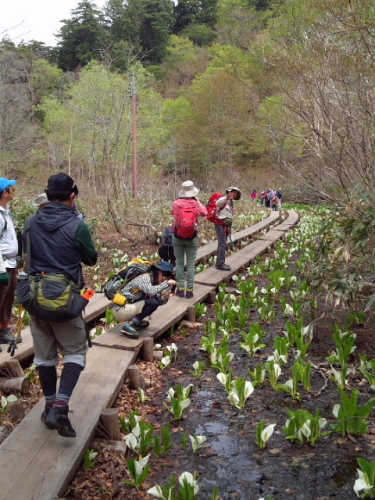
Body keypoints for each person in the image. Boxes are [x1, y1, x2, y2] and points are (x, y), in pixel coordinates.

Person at [25, 173, 97, 438]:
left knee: (44, 356)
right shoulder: (78, 225)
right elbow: (91, 259)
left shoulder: (31, 221)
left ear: (48, 194)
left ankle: (49, 408)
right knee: (75, 353)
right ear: (72, 196)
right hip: (66, 301)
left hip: (34, 298)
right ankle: (60, 407)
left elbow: (27, 251)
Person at [114, 261, 177, 339]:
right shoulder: (144, 278)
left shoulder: (152, 280)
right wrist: (167, 283)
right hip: (121, 310)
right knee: (152, 303)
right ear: (158, 271)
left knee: (153, 301)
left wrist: (166, 297)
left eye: (168, 278)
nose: (165, 279)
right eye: (164, 276)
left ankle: (136, 321)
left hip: (128, 307)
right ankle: (130, 325)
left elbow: (156, 301)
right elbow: (150, 291)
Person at [171, 180, 207, 298]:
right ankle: (190, 290)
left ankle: (180, 290)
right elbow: (205, 213)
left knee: (180, 263)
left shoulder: (176, 203)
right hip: (192, 237)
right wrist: (199, 203)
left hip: (177, 236)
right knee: (191, 264)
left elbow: (173, 213)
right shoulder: (195, 204)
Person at [0, 177, 20, 351]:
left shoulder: (7, 212)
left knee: (8, 299)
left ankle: (3, 329)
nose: (13, 192)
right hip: (2, 265)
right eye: (10, 189)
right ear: (4, 193)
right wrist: (1, 270)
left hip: (10, 263)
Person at [215, 186, 241, 271]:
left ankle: (219, 262)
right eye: (234, 193)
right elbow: (217, 204)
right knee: (222, 244)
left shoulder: (230, 202)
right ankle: (220, 264)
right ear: (229, 192)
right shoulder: (224, 199)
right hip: (220, 224)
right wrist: (226, 197)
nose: (234, 195)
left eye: (236, 194)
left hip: (225, 225)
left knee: (222, 244)